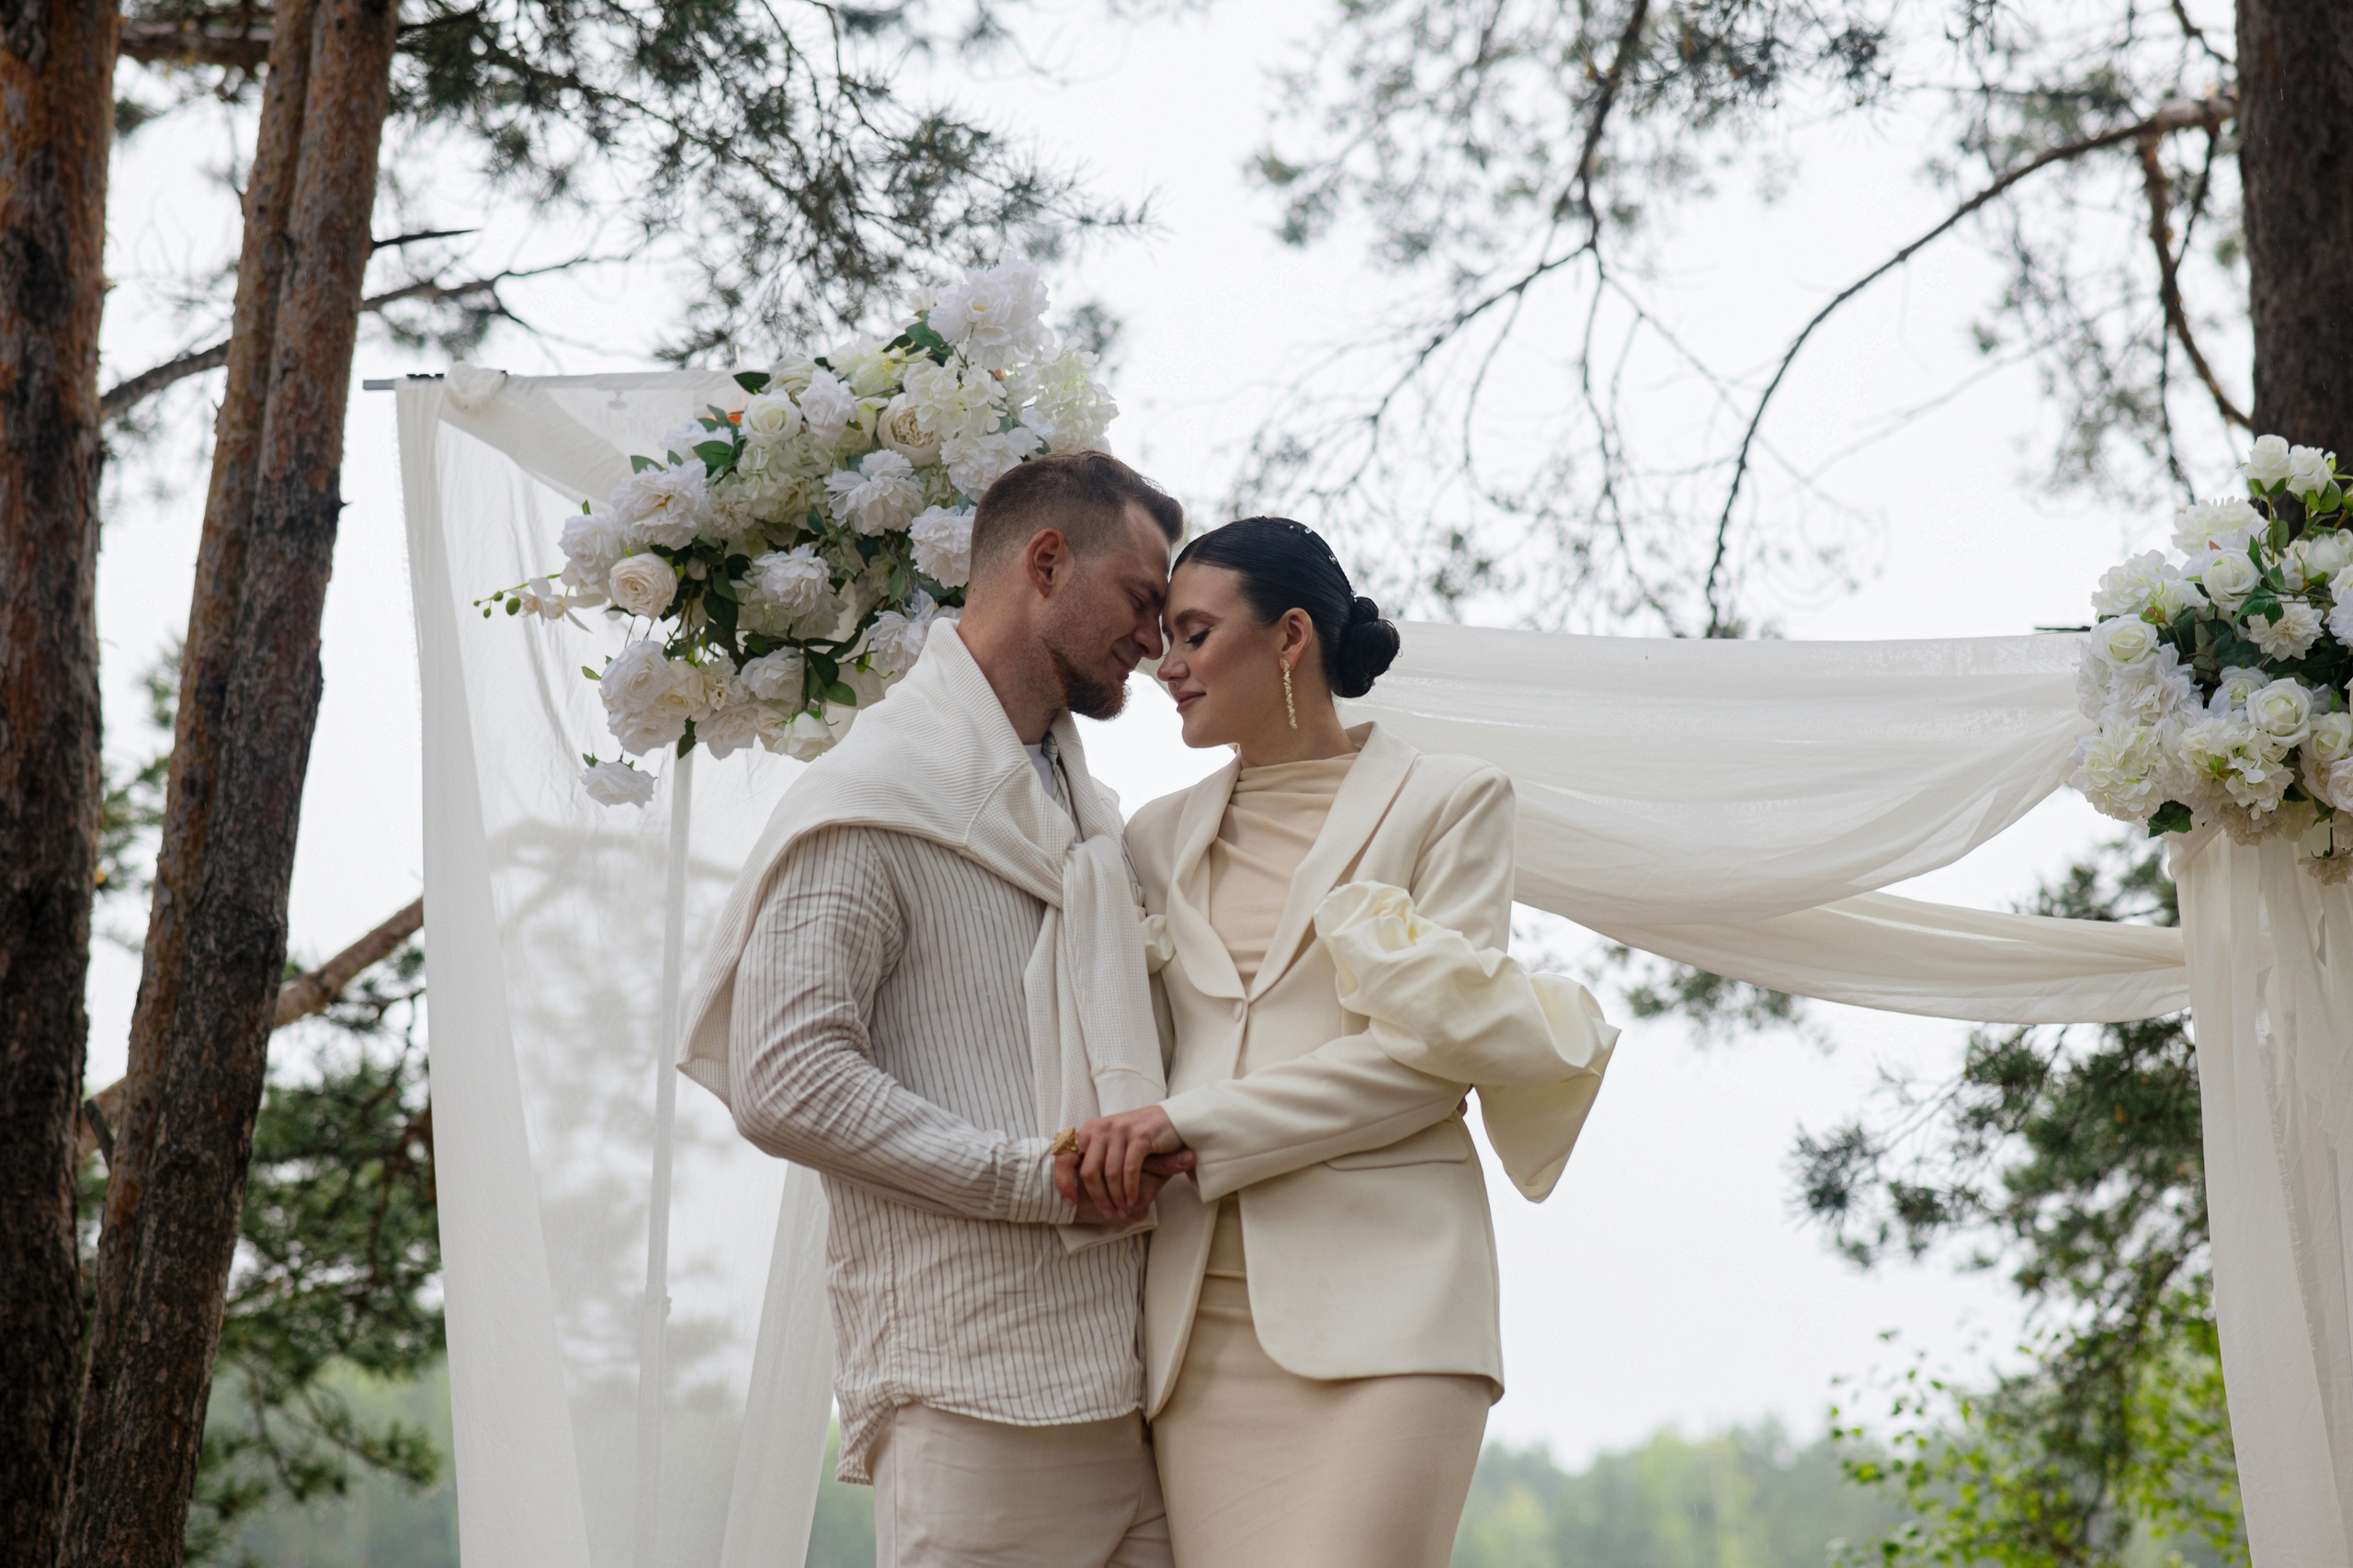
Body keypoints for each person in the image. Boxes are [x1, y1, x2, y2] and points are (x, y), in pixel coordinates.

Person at [1063, 517, 1618, 1568]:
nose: (1164, 667)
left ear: (1290, 636)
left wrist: (1191, 1124)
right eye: (1163, 640)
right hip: (1196, 1330)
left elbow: (1428, 1060)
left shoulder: (1450, 801)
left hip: (1394, 1305)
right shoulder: (1152, 836)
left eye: (1191, 634)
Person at [676, 450, 1196, 1568]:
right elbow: (787, 1076)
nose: (1155, 642)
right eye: (1143, 601)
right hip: (969, 1394)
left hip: (1133, 1389)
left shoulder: (1090, 813)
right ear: (1046, 562)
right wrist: (1028, 1175)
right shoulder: (877, 794)